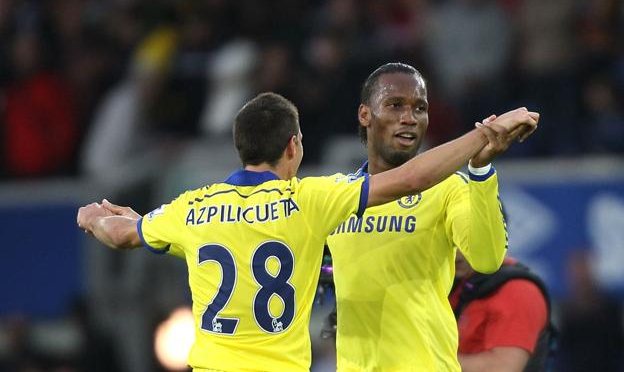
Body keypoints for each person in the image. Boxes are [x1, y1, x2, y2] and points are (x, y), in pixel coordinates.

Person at [77, 92, 538, 372]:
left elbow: (123, 234)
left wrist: (95, 217)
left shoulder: (191, 209)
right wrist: (484, 137)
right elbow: (413, 178)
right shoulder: (310, 200)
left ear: (242, 148)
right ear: (293, 146)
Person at [325, 62, 530, 371]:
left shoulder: (449, 188)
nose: (409, 118)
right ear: (365, 114)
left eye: (419, 108)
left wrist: (480, 171)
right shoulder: (334, 196)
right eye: (395, 106)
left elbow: (487, 260)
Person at [450, 252, 552, 372]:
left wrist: (433, 360)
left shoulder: (518, 291)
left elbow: (502, 368)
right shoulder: (456, 282)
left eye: (462, 240)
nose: (456, 253)